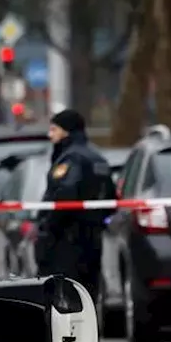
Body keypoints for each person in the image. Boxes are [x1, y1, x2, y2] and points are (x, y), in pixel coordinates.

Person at [35, 109, 114, 305]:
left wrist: (48, 227)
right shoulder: (98, 157)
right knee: (88, 296)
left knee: (66, 297)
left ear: (66, 131)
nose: (49, 135)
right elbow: (111, 198)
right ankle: (90, 335)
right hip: (93, 239)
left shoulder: (71, 159)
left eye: (54, 129)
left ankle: (70, 335)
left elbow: (64, 196)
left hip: (67, 240)